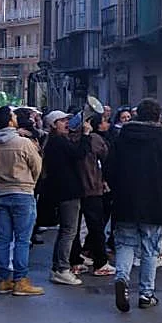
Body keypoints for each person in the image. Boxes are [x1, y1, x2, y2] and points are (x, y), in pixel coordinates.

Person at [104, 98, 162, 311]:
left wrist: (119, 188)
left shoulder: (121, 139)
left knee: (125, 244)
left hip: (125, 201)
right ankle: (146, 294)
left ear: (138, 115)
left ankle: (121, 278)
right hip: (155, 203)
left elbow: (108, 171)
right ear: (158, 116)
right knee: (150, 249)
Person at [0, 106, 45, 296]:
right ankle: (21, 280)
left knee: (3, 238)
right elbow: (37, 166)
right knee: (22, 239)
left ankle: (3, 280)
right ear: (10, 121)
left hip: (1, 191)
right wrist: (30, 182)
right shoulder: (23, 143)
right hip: (22, 191)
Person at [42, 109, 92, 286]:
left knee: (65, 230)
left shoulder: (54, 141)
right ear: (54, 125)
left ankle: (58, 267)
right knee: (69, 231)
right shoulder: (59, 142)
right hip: (68, 191)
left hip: (63, 190)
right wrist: (86, 135)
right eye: (62, 121)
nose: (66, 124)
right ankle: (62, 268)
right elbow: (79, 154)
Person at [70, 113, 113, 276]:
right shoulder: (95, 139)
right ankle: (100, 262)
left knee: (73, 226)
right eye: (104, 121)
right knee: (96, 226)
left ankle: (75, 260)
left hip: (74, 187)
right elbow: (106, 156)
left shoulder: (69, 138)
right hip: (92, 186)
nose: (106, 124)